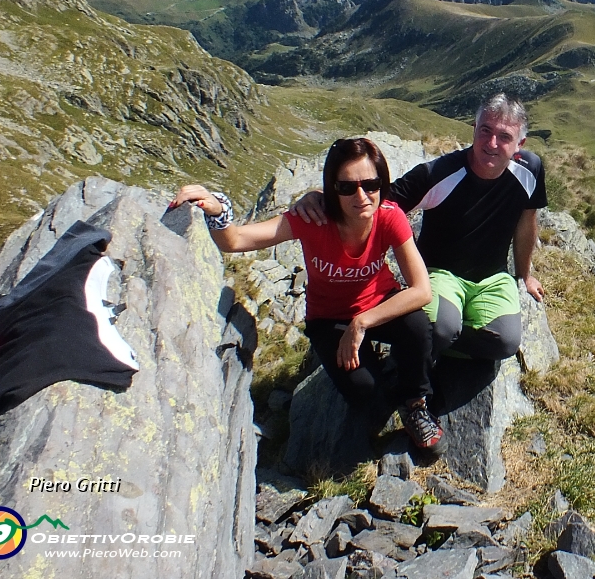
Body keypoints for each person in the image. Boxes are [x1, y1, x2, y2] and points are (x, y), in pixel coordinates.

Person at [169, 137, 443, 450]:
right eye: (346, 188)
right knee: (368, 397)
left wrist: (361, 323)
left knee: (419, 326)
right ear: (332, 189)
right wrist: (217, 207)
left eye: (371, 184)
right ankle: (382, 377)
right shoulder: (313, 219)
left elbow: (422, 290)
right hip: (329, 320)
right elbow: (235, 241)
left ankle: (416, 403)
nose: (361, 196)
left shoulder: (389, 216)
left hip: (376, 305)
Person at [293, 93, 547, 364]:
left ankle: (422, 344)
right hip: (440, 274)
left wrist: (525, 275)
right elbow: (375, 201)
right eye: (485, 130)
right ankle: (422, 344)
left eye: (504, 136)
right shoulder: (438, 173)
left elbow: (526, 220)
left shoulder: (530, 169)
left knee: (505, 342)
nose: (492, 143)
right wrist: (324, 196)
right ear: (473, 128)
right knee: (440, 329)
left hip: (492, 278)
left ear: (520, 143)